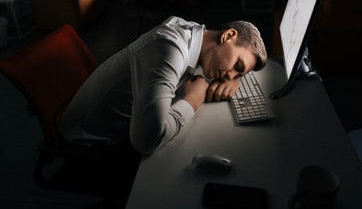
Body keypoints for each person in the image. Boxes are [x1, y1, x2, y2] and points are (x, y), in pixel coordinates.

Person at [57, 16, 267, 155]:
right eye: (237, 66)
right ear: (228, 35)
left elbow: (210, 63)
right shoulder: (169, 49)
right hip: (91, 142)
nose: (230, 75)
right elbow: (146, 141)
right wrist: (193, 101)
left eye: (239, 73)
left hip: (117, 125)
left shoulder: (194, 34)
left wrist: (236, 78)